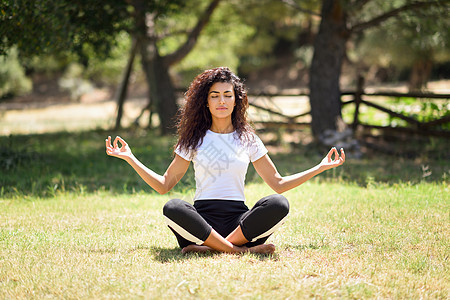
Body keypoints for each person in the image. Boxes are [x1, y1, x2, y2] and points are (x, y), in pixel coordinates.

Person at [105, 67, 345, 254]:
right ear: (206, 102)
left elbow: (278, 183)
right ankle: (237, 252)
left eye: (227, 95)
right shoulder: (193, 140)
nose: (221, 101)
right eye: (215, 95)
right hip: (202, 223)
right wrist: (130, 157)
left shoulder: (248, 138)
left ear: (236, 100)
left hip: (239, 224)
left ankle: (214, 249)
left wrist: (321, 167)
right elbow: (164, 185)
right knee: (173, 207)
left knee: (279, 203)